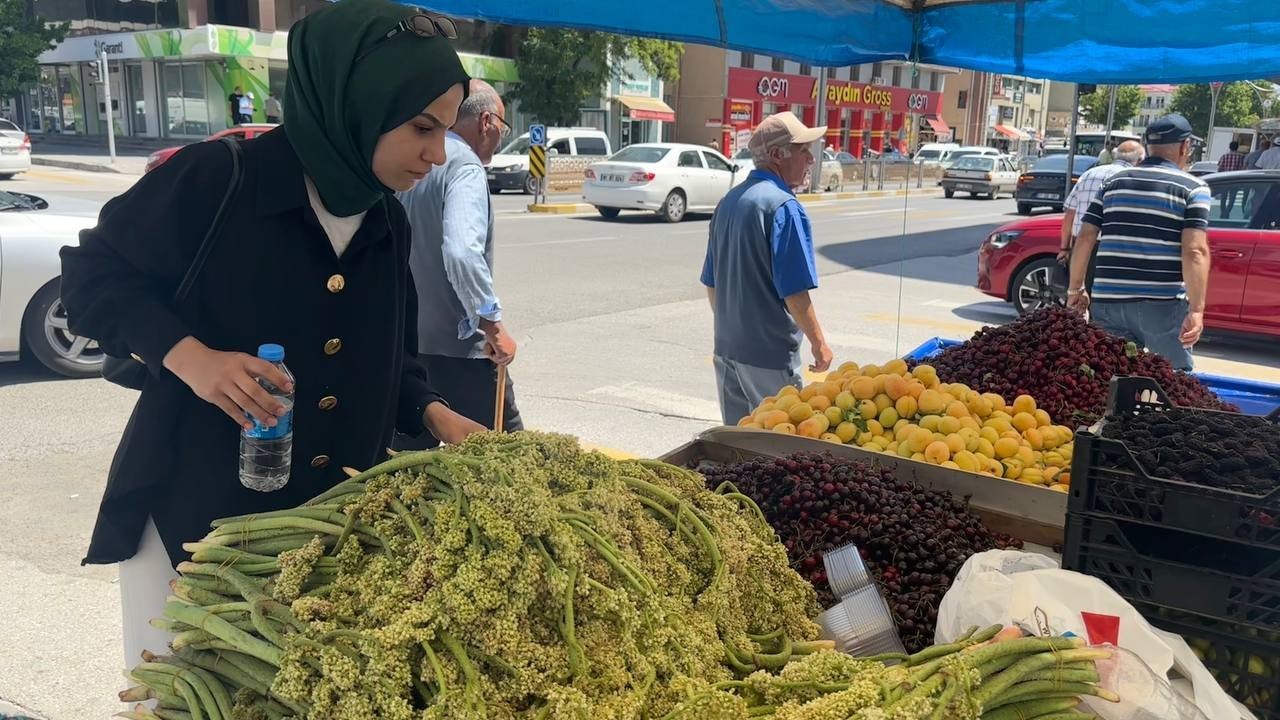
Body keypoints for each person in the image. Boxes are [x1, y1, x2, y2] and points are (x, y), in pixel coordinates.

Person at [59, 0, 484, 670]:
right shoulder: (216, 182)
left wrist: (436, 415)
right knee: (185, 699)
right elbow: (88, 279)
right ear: (357, 103)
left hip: (325, 539)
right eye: (420, 128)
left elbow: (388, 360)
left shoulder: (385, 223)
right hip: (193, 532)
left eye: (445, 129)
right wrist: (191, 358)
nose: (437, 154)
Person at [396, 79, 521, 446]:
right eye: (502, 125)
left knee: (412, 466)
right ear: (487, 122)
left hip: (408, 345)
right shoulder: (464, 166)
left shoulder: (412, 162)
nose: (500, 134)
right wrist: (492, 325)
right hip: (461, 354)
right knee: (504, 460)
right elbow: (462, 252)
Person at [701, 111, 833, 426]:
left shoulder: (729, 202)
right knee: (777, 448)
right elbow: (795, 295)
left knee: (736, 447)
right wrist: (819, 344)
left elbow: (712, 284)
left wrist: (736, 328)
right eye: (804, 151)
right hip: (769, 357)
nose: (811, 160)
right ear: (777, 155)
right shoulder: (784, 207)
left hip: (727, 348)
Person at [1067, 114, 1211, 371]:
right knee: (1172, 381)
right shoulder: (1193, 188)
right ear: (1184, 146)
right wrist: (1197, 310)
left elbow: (1086, 236)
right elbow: (1195, 250)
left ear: (1149, 145)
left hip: (1108, 302)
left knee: (1110, 378)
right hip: (1163, 305)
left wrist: (1075, 289)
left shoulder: (1112, 183)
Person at [1059, 140, 1146, 266]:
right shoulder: (1134, 179)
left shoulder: (1088, 174)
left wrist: (1064, 248)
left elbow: (1070, 215)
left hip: (1080, 245)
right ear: (1140, 160)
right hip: (1113, 249)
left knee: (1077, 284)